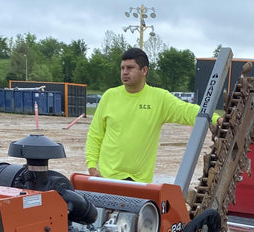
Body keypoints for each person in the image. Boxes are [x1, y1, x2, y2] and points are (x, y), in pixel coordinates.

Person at [86, 48, 208, 183]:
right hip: (107, 178)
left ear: (144, 70)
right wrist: (91, 167)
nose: (125, 72)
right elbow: (95, 135)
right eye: (122, 68)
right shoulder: (109, 96)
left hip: (140, 182)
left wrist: (215, 118)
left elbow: (187, 111)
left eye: (130, 68)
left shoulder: (159, 98)